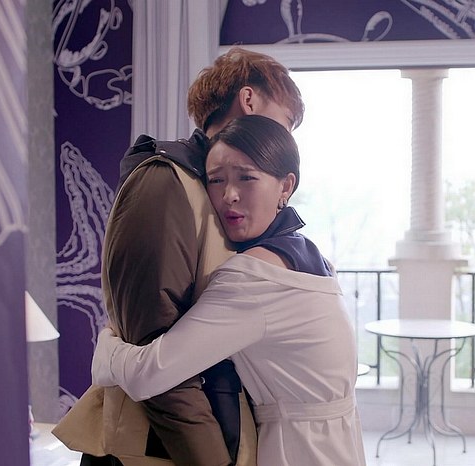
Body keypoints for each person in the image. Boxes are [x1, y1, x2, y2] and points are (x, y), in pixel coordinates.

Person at [52, 48, 305, 466]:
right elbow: (155, 354)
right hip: (156, 448)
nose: (285, 141)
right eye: (287, 122)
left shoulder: (216, 192)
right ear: (249, 100)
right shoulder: (165, 181)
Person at [91, 115, 366, 466]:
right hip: (341, 444)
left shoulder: (254, 278)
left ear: (286, 186)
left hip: (296, 451)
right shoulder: (314, 259)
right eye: (216, 180)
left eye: (246, 178)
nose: (228, 196)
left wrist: (106, 348)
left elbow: (148, 375)